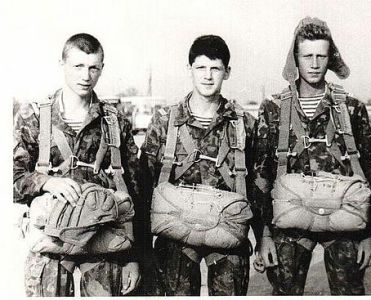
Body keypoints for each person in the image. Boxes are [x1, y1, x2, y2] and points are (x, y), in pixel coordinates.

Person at [253, 17, 371, 295]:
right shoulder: (273, 109)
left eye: (321, 56)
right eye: (307, 56)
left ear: (330, 58)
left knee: (349, 289)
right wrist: (263, 236)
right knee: (285, 289)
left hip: (343, 219)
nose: (314, 64)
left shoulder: (351, 107)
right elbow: (262, 177)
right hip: (290, 221)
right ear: (295, 58)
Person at [13, 33, 142, 296]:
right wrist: (47, 181)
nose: (86, 75)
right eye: (78, 66)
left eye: (93, 67)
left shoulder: (114, 122)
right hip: (51, 244)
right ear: (62, 64)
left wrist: (134, 256)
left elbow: (135, 192)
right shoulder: (36, 117)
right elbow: (11, 180)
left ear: (102, 69)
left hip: (103, 242)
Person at [138, 35, 259, 296]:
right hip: (175, 237)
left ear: (227, 72)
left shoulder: (244, 125)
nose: (207, 76)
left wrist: (264, 238)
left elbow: (259, 186)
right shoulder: (165, 122)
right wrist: (141, 249)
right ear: (189, 69)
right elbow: (143, 185)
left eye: (215, 68)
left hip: (228, 236)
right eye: (201, 67)